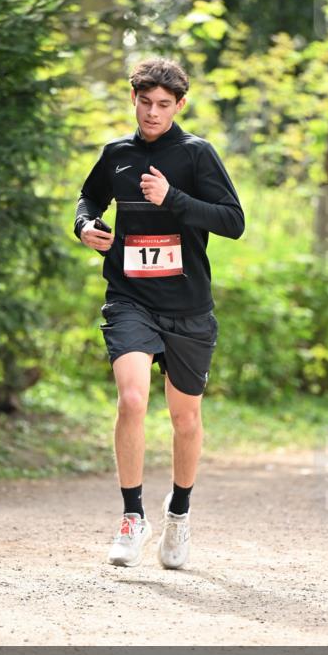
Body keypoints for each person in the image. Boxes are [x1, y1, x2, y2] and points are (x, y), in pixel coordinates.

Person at [73, 57, 244, 569]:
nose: (152, 113)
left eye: (163, 105)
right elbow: (88, 197)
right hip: (130, 296)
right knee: (131, 399)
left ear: (180, 105)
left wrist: (174, 199)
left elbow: (233, 221)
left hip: (188, 306)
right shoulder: (118, 155)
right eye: (145, 102)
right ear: (134, 99)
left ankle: (179, 515)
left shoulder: (197, 155)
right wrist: (85, 225)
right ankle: (131, 517)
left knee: (185, 418)